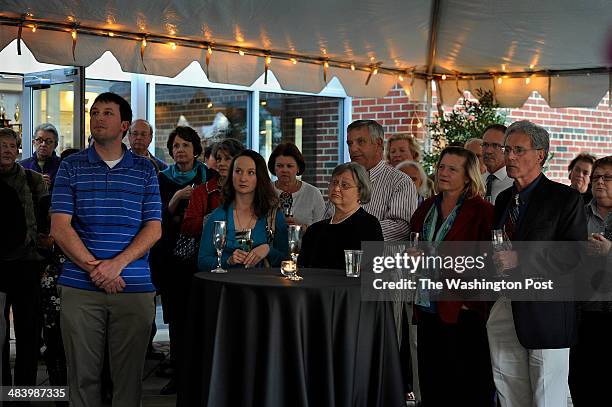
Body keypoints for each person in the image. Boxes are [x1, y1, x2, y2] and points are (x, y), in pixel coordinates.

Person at [50, 92, 162, 407]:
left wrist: (116, 266)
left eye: (107, 113)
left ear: (124, 125)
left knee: (129, 380)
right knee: (81, 379)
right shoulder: (71, 166)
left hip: (134, 285)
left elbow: (154, 228)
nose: (98, 118)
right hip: (79, 287)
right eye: (94, 112)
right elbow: (60, 227)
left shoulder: (145, 170)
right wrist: (96, 270)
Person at [487, 120, 586, 407]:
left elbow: (574, 254)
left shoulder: (564, 197)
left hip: (548, 310)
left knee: (547, 395)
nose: (510, 156)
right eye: (508, 149)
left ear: (540, 155)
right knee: (509, 389)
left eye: (519, 150)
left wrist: (522, 257)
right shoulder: (504, 198)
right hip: (505, 304)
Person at [410, 146, 495, 407]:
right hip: (427, 307)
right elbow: (412, 244)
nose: (443, 173)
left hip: (464, 309)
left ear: (468, 176)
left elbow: (490, 261)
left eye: (452, 169)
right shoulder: (426, 207)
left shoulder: (482, 211)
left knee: (467, 385)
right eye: (441, 167)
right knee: (432, 382)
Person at [149, 126, 214, 395]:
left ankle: (204, 373)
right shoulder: (162, 178)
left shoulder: (209, 176)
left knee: (200, 317)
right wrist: (176, 198)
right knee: (176, 319)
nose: (180, 150)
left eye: (186, 145)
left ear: (196, 149)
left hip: (203, 255)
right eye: (176, 146)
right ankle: (178, 373)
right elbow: (154, 218)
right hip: (171, 257)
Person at [0, 127, 48, 387]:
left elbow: (46, 217)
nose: (6, 150)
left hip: (28, 265)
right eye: (1, 145)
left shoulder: (33, 179)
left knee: (29, 335)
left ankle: (24, 394)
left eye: (11, 145)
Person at [198, 150, 288, 271]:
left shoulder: (273, 215)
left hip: (262, 287)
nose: (243, 178)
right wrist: (228, 261)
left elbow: (288, 261)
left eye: (250, 172)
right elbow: (202, 262)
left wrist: (267, 250)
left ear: (259, 177)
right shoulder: (218, 216)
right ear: (231, 175)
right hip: (227, 286)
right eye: (238, 171)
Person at [327, 119, 417, 241]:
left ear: (379, 143)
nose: (353, 149)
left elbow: (401, 228)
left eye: (360, 142)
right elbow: (326, 219)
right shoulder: (341, 179)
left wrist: (350, 231)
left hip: (377, 258)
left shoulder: (400, 182)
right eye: (350, 143)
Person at [569, 155, 612, 406]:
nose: (599, 182)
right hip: (582, 314)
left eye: (607, 177)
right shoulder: (577, 214)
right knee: (582, 385)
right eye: (596, 177)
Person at [299, 162, 383, 269]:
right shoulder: (315, 230)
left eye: (344, 185)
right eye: (334, 182)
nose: (336, 188)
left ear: (360, 191)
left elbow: (370, 271)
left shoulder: (369, 225)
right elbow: (302, 269)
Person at [181, 138, 244, 238]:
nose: (221, 163)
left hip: (241, 247)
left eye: (227, 158)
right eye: (219, 159)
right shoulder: (201, 191)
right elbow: (187, 227)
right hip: (209, 248)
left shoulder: (247, 189)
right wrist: (215, 219)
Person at [268, 142, 325, 227]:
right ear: (273, 167)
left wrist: (301, 229)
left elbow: (323, 228)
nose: (284, 170)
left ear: (298, 168)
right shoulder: (266, 191)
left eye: (289, 166)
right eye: (280, 166)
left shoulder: (313, 193)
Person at [20, 123, 62, 190]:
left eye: (48, 141)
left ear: (55, 145)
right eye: (39, 140)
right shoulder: (22, 166)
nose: (43, 144)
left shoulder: (62, 166)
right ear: (33, 142)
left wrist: (50, 187)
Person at [481, 124, 513, 202]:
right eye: (485, 145)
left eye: (495, 146)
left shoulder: (515, 184)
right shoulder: (476, 181)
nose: (488, 151)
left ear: (507, 149)